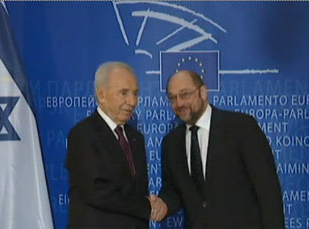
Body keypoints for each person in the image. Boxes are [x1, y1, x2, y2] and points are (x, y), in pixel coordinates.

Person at [154, 70, 285, 228]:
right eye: (172, 98)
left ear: (203, 92)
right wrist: (164, 204)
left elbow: (268, 191)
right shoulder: (171, 143)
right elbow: (174, 190)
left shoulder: (241, 127)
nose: (179, 103)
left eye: (185, 94)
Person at [65, 62, 165, 229]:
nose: (132, 101)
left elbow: (137, 191)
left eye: (135, 93)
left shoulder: (136, 138)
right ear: (101, 95)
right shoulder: (82, 134)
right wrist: (147, 207)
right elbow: (96, 191)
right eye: (124, 93)